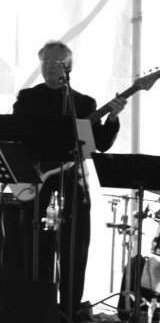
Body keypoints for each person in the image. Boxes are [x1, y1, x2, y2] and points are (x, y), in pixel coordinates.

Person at [11, 40, 126, 319]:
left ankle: (70, 309)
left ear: (68, 67)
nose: (49, 67)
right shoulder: (27, 98)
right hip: (36, 183)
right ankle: (36, 307)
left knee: (74, 248)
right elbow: (15, 135)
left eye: (56, 62)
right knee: (35, 246)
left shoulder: (84, 103)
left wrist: (113, 118)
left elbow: (98, 144)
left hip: (72, 183)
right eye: (45, 62)